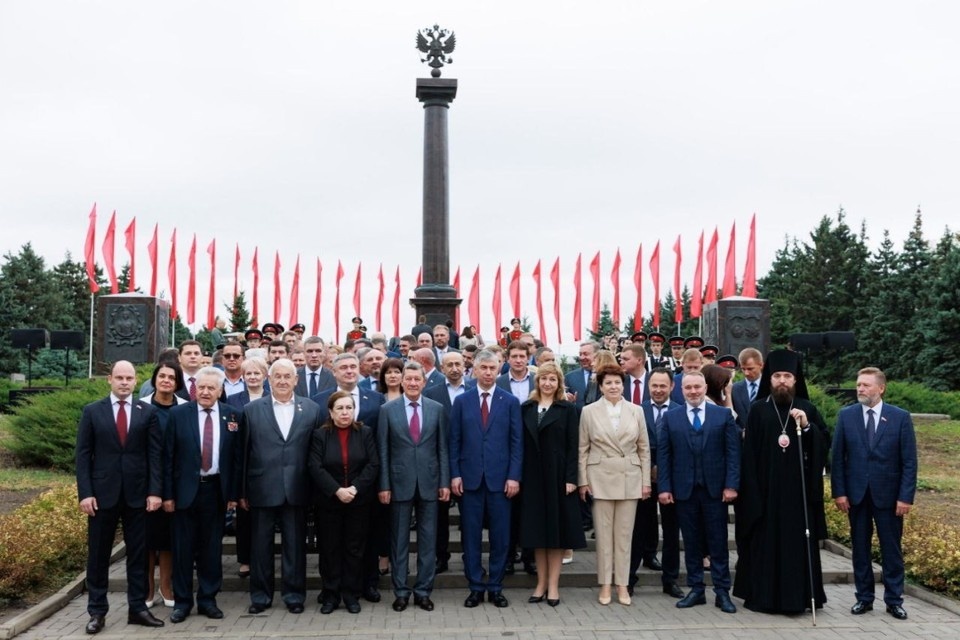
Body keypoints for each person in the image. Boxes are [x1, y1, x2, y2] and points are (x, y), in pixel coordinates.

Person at [733, 349, 829, 614]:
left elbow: (823, 444)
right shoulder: (758, 410)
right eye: (777, 376)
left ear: (796, 379)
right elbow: (749, 456)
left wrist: (807, 427)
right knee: (766, 546)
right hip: (766, 496)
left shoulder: (806, 409)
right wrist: (751, 494)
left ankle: (800, 598)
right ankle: (764, 598)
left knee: (796, 548)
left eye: (788, 376)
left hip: (798, 497)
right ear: (770, 378)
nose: (782, 381)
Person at [75, 361, 165, 634]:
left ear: (136, 381)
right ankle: (97, 612)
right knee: (99, 555)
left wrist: (155, 491)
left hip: (138, 496)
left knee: (138, 555)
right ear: (110, 380)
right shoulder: (92, 412)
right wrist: (86, 493)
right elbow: (82, 456)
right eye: (119, 378)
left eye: (129, 378)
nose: (124, 382)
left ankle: (137, 608)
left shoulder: (147, 412)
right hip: (102, 496)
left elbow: (154, 455)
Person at [832, 367, 917, 620]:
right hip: (856, 495)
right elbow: (837, 459)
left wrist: (905, 497)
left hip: (889, 497)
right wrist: (840, 493)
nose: (860, 389)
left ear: (881, 388)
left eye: (866, 385)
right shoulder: (846, 416)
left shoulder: (900, 417)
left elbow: (909, 462)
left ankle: (894, 600)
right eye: (859, 384)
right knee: (860, 548)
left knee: (892, 550)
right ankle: (864, 598)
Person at [238, 359, 322, 615]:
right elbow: (243, 453)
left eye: (288, 376)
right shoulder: (251, 410)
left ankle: (294, 595)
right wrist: (241, 491)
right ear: (269, 379)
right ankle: (261, 597)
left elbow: (316, 453)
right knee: (260, 547)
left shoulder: (311, 409)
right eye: (278, 376)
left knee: (295, 546)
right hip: (261, 487)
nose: (283, 381)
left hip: (297, 488)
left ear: (296, 380)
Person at [162, 367, 241, 623]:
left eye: (211, 388)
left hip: (216, 491)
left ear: (220, 391)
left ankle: (208, 600)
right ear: (196, 390)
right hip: (184, 492)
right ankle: (182, 603)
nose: (206, 392)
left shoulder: (233, 415)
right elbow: (168, 457)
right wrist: (168, 495)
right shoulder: (177, 414)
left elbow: (236, 459)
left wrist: (232, 493)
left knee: (211, 550)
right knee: (183, 550)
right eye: (202, 388)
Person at [658, 370, 740, 614]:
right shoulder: (671, 418)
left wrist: (731, 485)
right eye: (688, 388)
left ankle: (722, 591)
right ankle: (696, 589)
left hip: (715, 490)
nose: (693, 391)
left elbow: (733, 453)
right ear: (681, 390)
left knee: (718, 542)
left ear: (705, 387)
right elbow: (664, 455)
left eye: (697, 387)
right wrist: (664, 487)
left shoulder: (723, 415)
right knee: (691, 542)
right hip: (684, 491)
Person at [449, 349, 523, 608]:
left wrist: (514, 476)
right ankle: (476, 586)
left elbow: (516, 443)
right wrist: (455, 473)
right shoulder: (462, 401)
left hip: (501, 481)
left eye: (493, 368)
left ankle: (496, 586)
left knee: (501, 537)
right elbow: (454, 441)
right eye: (484, 368)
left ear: (498, 369)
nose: (489, 373)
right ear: (476, 370)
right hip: (469, 481)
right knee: (471, 537)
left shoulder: (510, 401)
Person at [377, 361, 450, 612]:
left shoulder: (437, 408)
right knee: (399, 541)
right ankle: (400, 592)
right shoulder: (388, 410)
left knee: (428, 541)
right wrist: (384, 484)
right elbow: (383, 450)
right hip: (398, 483)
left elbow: (442, 448)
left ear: (424, 381)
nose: (412, 383)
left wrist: (444, 481)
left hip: (430, 483)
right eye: (407, 379)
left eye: (416, 379)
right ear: (401, 380)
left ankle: (423, 591)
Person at [578, 365, 651, 606]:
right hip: (600, 477)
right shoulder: (588, 412)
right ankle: (605, 585)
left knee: (624, 536)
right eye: (608, 383)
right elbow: (583, 449)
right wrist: (583, 481)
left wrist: (645, 482)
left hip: (630, 477)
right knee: (604, 537)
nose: (613, 387)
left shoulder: (636, 410)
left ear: (624, 385)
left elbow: (644, 448)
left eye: (617, 382)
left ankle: (622, 585)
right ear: (600, 386)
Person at [519, 362, 584, 606]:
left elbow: (572, 446)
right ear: (537, 382)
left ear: (559, 383)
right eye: (544, 378)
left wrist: (571, 479)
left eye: (552, 379)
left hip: (558, 478)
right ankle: (540, 584)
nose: (547, 383)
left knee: (556, 535)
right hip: (533, 479)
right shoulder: (526, 408)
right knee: (537, 533)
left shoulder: (567, 409)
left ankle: (554, 586)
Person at [309, 391, 380, 614]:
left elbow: (373, 464)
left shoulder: (365, 432)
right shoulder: (320, 435)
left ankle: (351, 594)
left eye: (349, 407)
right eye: (339, 408)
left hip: (358, 501)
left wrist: (354, 488)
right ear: (330, 412)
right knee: (330, 549)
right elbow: (315, 467)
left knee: (354, 549)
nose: (345, 412)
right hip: (330, 502)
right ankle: (331, 595)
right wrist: (337, 490)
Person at [629, 367, 683, 598]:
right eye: (654, 386)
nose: (658, 390)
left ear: (672, 387)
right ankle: (629, 578)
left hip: (672, 481)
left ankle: (670, 580)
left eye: (663, 386)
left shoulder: (681, 412)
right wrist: (648, 467)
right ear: (648, 387)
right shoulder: (636, 411)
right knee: (637, 529)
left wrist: (664, 468)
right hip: (642, 479)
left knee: (671, 532)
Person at [141, 363, 187, 609]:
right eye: (162, 376)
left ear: (177, 383)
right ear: (154, 380)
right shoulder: (143, 406)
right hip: (147, 481)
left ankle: (166, 584)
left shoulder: (184, 408)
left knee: (169, 537)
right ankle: (147, 587)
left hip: (176, 482)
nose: (167, 380)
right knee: (148, 538)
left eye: (172, 377)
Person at [731, 348, 764, 431]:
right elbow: (730, 418)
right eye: (743, 369)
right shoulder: (734, 389)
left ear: (761, 365)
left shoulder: (771, 388)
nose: (746, 373)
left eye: (750, 369)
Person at [564, 341, 599, 408]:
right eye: (580, 354)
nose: (582, 358)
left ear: (596, 355)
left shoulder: (606, 376)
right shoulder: (569, 377)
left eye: (585, 354)